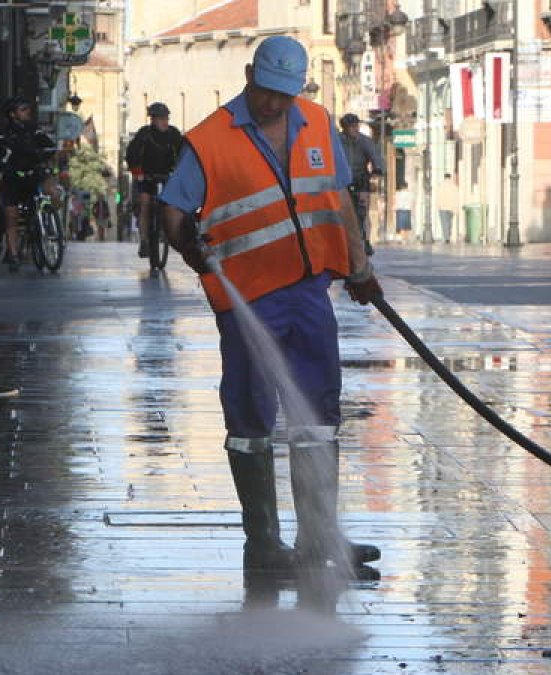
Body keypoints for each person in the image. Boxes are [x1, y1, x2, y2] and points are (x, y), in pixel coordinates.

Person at [160, 35, 383, 572]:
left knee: (317, 415)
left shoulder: (318, 121)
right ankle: (263, 545)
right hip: (248, 301)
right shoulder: (208, 140)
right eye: (266, 93)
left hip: (308, 291)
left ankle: (319, 541)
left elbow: (339, 200)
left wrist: (359, 267)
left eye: (284, 95)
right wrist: (199, 262)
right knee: (251, 416)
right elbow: (172, 216)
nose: (274, 105)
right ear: (248, 77)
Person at [0, 95, 58, 272]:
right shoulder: (1, 136)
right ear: (12, 114)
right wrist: (5, 167)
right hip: (13, 178)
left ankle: (50, 221)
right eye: (23, 109)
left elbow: (50, 146)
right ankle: (14, 253)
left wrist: (42, 156)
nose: (28, 112)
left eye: (28, 108)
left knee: (52, 193)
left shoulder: (34, 130)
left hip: (34, 174)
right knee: (11, 215)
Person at [124, 102, 183, 257]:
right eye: (161, 118)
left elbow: (183, 153)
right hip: (146, 175)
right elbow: (132, 153)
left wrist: (180, 172)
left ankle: (171, 233)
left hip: (167, 175)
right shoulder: (144, 134)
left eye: (166, 118)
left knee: (172, 204)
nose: (165, 122)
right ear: (153, 120)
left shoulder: (173, 134)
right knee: (145, 203)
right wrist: (137, 172)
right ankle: (144, 241)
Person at [338, 113, 384, 255]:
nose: (355, 129)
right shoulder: (337, 141)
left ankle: (366, 240)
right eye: (352, 127)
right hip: (343, 179)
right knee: (342, 211)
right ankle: (344, 241)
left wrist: (377, 169)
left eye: (356, 126)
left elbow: (375, 155)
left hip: (361, 178)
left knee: (363, 211)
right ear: (344, 128)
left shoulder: (364, 141)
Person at [437, 173, 459, 244]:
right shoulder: (454, 186)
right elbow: (456, 198)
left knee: (444, 223)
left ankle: (446, 237)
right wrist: (456, 207)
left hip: (442, 207)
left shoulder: (440, 186)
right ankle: (448, 236)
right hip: (451, 207)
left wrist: (438, 205)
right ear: (450, 178)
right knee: (449, 223)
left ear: (444, 177)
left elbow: (438, 196)